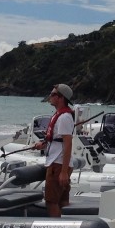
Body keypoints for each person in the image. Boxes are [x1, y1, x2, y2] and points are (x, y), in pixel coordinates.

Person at [35, 83, 75, 217]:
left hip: (57, 164)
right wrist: (44, 144)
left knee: (51, 202)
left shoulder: (64, 117)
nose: (50, 97)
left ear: (61, 98)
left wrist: (63, 171)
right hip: (58, 162)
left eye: (53, 94)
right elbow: (57, 139)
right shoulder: (59, 115)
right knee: (61, 202)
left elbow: (68, 144)